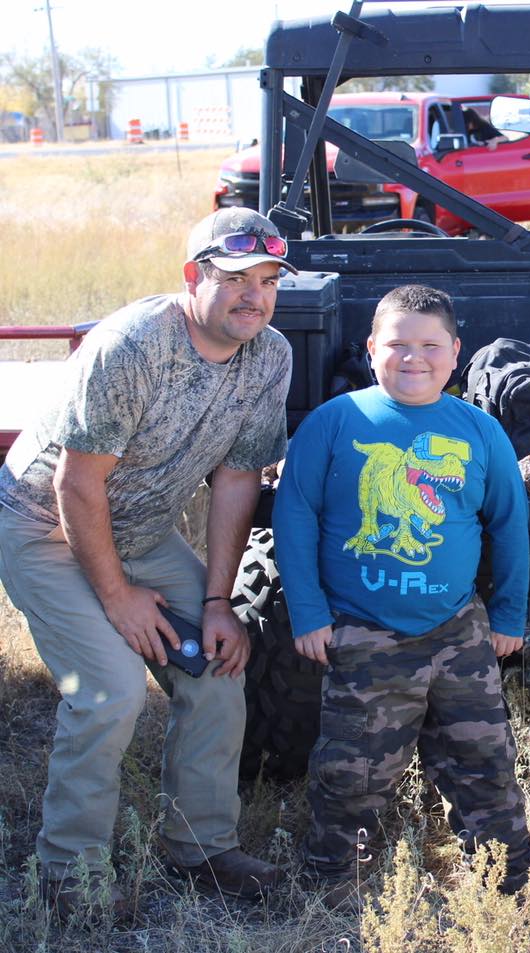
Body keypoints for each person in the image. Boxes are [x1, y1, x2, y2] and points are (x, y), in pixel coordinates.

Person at [0, 208, 294, 916]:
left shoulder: (270, 354)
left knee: (221, 666)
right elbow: (78, 484)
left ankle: (200, 844)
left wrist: (218, 603)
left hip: (142, 529)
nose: (253, 296)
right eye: (233, 280)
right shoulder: (133, 346)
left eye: (266, 281)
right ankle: (68, 875)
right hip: (45, 524)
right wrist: (119, 597)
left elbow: (235, 479)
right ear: (193, 277)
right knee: (110, 688)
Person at [273, 284, 530, 913]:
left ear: (456, 352)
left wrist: (510, 614)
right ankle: (335, 885)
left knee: (484, 764)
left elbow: (508, 527)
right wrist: (309, 613)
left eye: (430, 346)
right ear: (371, 349)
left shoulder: (478, 432)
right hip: (363, 632)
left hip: (456, 632)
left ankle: (503, 886)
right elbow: (294, 517)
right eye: (398, 345)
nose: (415, 358)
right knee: (352, 774)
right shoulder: (334, 423)